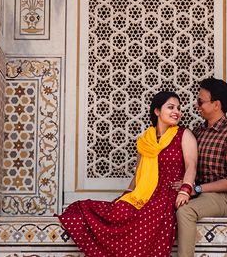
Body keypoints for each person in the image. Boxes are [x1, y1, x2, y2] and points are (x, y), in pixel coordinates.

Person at [58, 90, 198, 257]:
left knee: (146, 223)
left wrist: (185, 190)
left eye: (178, 107)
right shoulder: (145, 139)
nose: (177, 112)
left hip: (167, 196)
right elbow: (138, 174)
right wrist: (125, 197)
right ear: (157, 111)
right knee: (117, 213)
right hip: (143, 194)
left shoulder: (183, 135)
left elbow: (191, 166)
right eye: (170, 107)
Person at [173, 77, 227, 257]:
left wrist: (196, 188)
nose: (197, 105)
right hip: (200, 195)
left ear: (216, 104)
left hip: (226, 199)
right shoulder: (197, 132)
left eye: (201, 101)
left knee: (185, 211)